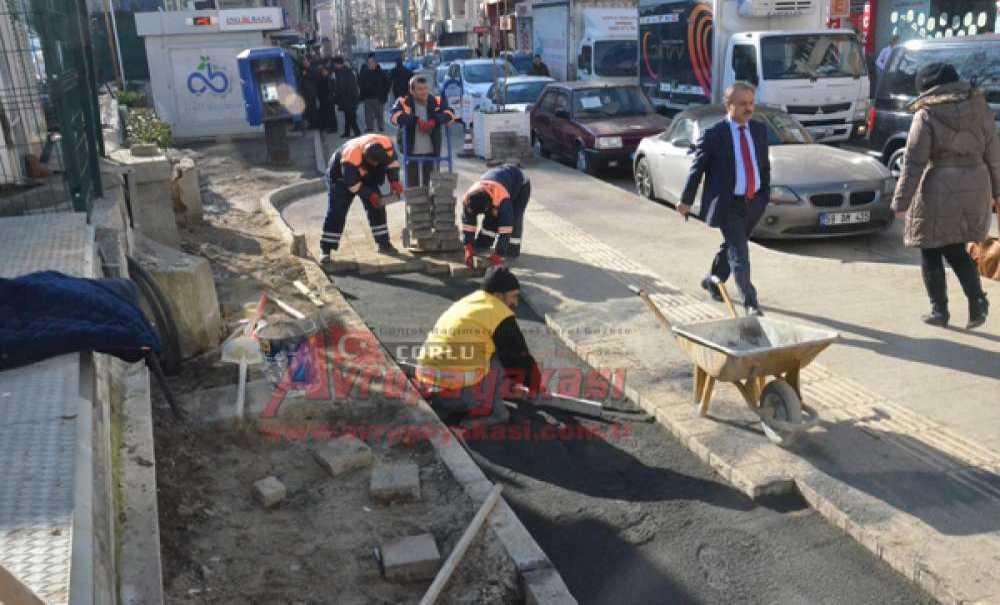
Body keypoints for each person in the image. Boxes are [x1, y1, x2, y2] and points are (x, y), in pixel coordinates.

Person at [891, 62, 996, 328]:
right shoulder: (979, 107)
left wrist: (901, 202)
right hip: (976, 183)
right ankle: (977, 303)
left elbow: (914, 162)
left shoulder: (926, 114)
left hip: (939, 185)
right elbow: (994, 155)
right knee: (956, 247)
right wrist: (997, 192)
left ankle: (940, 310)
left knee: (930, 248)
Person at [678, 81, 771, 316]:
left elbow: (763, 166)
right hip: (729, 203)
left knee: (733, 245)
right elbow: (697, 169)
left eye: (751, 103)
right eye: (742, 104)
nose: (749, 109)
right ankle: (750, 303)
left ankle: (713, 280)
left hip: (754, 202)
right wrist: (686, 200)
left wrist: (764, 194)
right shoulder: (714, 134)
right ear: (729, 106)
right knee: (740, 254)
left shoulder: (759, 130)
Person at [414, 266, 543, 429]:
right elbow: (520, 358)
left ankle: (493, 390)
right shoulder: (498, 313)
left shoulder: (470, 302)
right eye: (514, 297)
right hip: (458, 397)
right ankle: (497, 414)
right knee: (498, 355)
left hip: (427, 384)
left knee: (485, 347)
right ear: (498, 295)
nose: (516, 303)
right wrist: (535, 388)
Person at [320, 133, 405, 260]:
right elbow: (352, 185)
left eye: (378, 162)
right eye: (373, 162)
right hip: (341, 178)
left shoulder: (387, 146)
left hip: (366, 176)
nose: (376, 164)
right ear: (365, 157)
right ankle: (326, 249)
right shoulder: (350, 157)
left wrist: (394, 181)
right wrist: (370, 195)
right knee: (337, 211)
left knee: (377, 208)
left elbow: (392, 164)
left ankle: (383, 244)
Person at [389, 75, 456, 186]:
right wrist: (416, 120)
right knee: (413, 184)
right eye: (419, 89)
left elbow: (449, 114)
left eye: (425, 88)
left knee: (431, 183)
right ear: (412, 90)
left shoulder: (436, 101)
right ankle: (413, 203)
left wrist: (435, 120)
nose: (423, 92)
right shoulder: (403, 102)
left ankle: (429, 202)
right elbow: (394, 117)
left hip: (432, 149)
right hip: (411, 150)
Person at [461, 164, 530, 268]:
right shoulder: (468, 199)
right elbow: (468, 223)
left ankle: (511, 250)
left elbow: (506, 227)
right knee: (491, 217)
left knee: (514, 219)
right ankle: (484, 243)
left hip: (520, 185)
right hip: (499, 180)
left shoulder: (501, 198)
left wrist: (499, 253)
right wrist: (468, 246)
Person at [359, 54, 389, 132]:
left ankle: (381, 126)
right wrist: (361, 95)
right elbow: (361, 84)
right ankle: (370, 127)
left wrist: (384, 94)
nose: (370, 64)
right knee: (368, 115)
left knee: (379, 114)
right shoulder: (365, 73)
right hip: (368, 97)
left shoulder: (381, 73)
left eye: (372, 62)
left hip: (378, 97)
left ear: (375, 63)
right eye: (369, 62)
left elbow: (387, 84)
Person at [332, 56, 361, 138]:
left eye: (335, 64)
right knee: (348, 116)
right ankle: (348, 132)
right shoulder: (343, 71)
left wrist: (337, 96)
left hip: (348, 98)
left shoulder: (343, 72)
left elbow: (343, 87)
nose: (334, 65)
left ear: (338, 64)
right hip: (348, 98)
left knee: (350, 117)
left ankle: (357, 132)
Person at [315, 64, 338, 134]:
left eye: (324, 71)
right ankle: (328, 127)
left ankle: (332, 127)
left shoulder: (328, 78)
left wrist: (331, 96)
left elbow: (332, 89)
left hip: (328, 99)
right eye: (322, 71)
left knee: (330, 114)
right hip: (325, 99)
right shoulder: (323, 78)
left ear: (327, 71)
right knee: (327, 114)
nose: (323, 72)